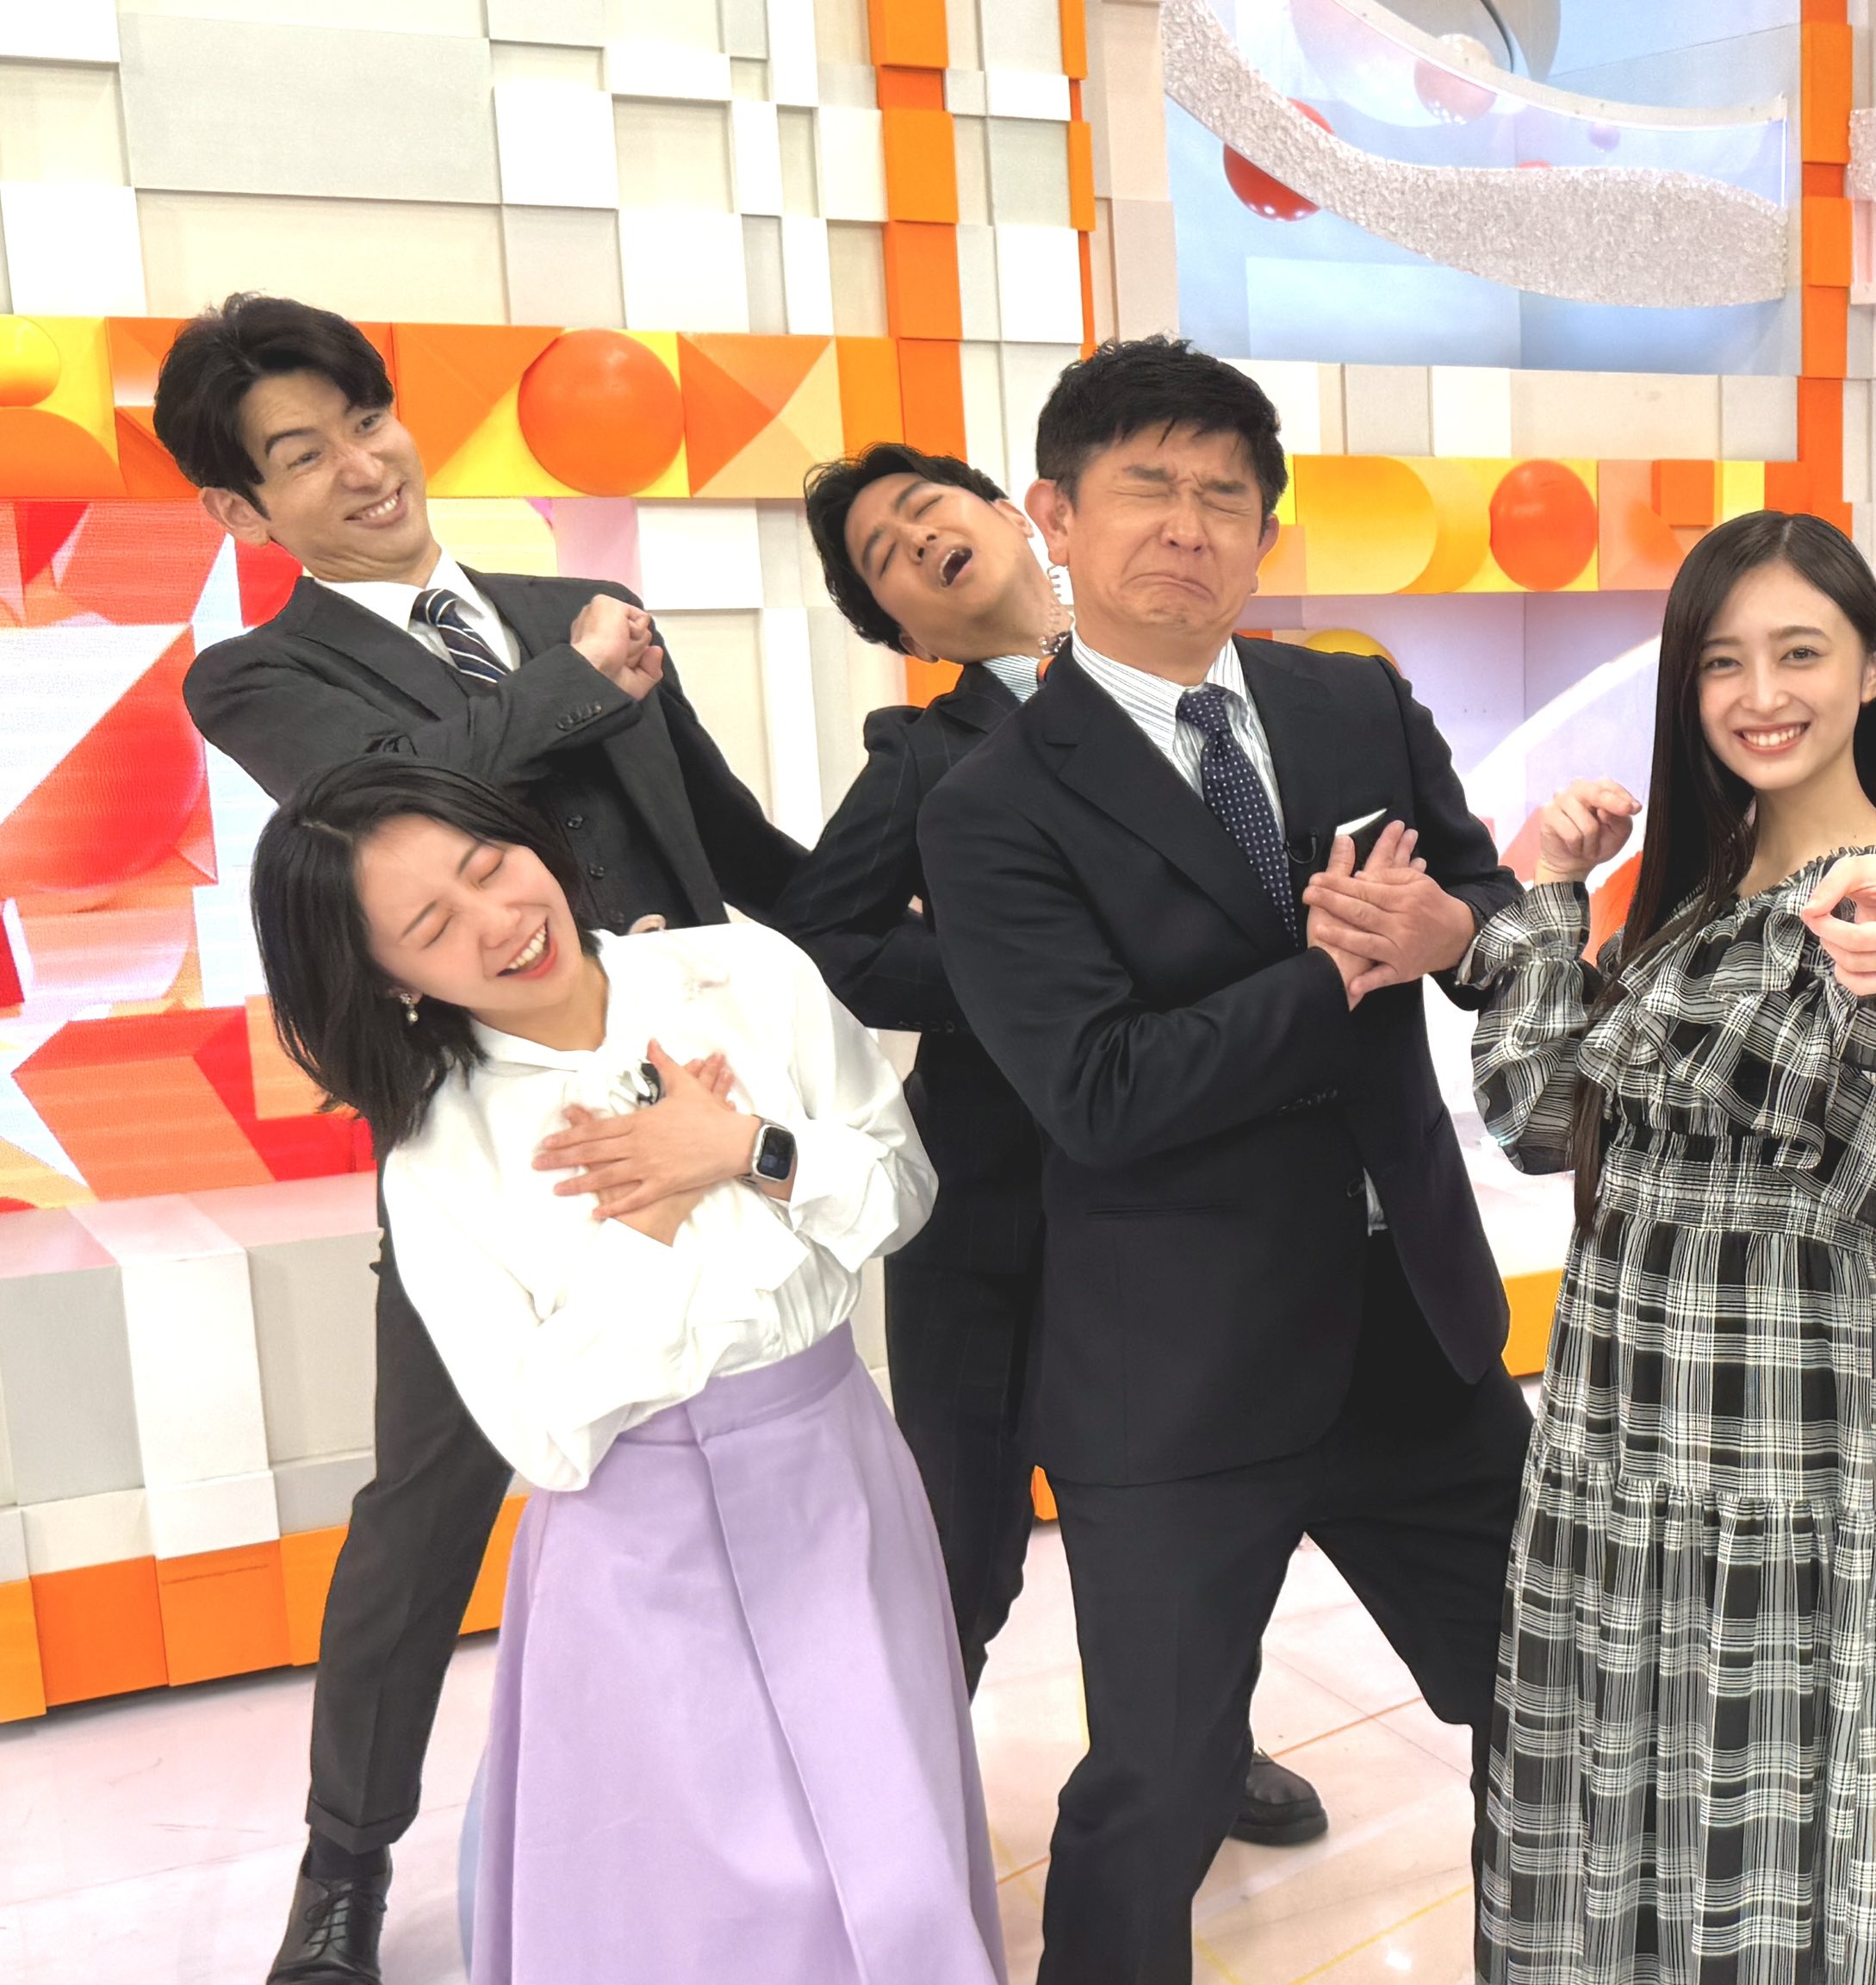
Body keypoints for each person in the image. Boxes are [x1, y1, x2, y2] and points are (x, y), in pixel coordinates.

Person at [152, 293, 806, 1985]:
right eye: (303, 454)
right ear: (240, 508)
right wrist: (575, 681)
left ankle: (811, 1788)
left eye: (367, 419)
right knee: (428, 1510)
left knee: (771, 1442)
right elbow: (384, 806)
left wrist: (953, 921)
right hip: (483, 1150)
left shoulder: (563, 612)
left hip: (697, 1099)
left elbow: (736, 853)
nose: (364, 464)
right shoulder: (257, 674)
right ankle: (343, 1870)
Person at [914, 338, 1531, 1983]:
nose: (1188, 527)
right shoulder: (991, 806)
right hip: (1177, 1378)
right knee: (1160, 1786)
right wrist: (1333, 970)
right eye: (1147, 489)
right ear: (1055, 515)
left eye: (1225, 496)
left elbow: (1485, 912)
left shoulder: (1353, 702)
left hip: (1414, 1331)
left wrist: (1456, 927)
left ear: (1264, 529)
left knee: (1558, 1700)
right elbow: (1099, 1092)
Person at [246, 758, 991, 1985]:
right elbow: (543, 1434)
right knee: (698, 1907)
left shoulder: (745, 976)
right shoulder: (439, 1151)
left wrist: (749, 1148)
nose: (499, 920)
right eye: (431, 924)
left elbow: (901, 1193)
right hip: (632, 1543)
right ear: (387, 977)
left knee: (892, 1851)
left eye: (489, 865)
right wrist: (651, 1213)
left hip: (836, 1477)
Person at [1467, 508, 1876, 1982]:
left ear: (1872, 666)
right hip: (1611, 1427)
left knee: (1774, 1815)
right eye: (1722, 661)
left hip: (1778, 1449)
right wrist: (1553, 887)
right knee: (1613, 1785)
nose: (1760, 693)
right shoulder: (1688, 901)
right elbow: (1537, 1113)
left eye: (1802, 652)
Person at [775, 445, 1327, 1845]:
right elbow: (827, 942)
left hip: (1173, 1206)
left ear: (1021, 519)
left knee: (1172, 1527)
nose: (917, 542)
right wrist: (1029, 983)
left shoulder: (1196, 691)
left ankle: (1201, 1749)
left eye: (928, 512)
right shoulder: (924, 754)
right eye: (886, 557)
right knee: (962, 1547)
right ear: (905, 630)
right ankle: (898, 1829)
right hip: (994, 1226)